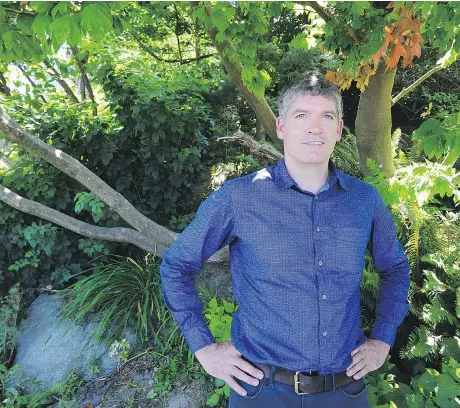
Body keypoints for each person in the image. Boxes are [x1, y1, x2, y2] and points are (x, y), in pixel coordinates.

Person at [160, 72, 410, 407]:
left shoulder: (364, 200)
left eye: (326, 117)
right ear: (281, 127)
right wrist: (204, 348)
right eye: (301, 115)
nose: (314, 127)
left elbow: (395, 268)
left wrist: (382, 339)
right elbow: (176, 266)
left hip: (343, 391)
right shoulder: (240, 198)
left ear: (338, 130)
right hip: (262, 391)